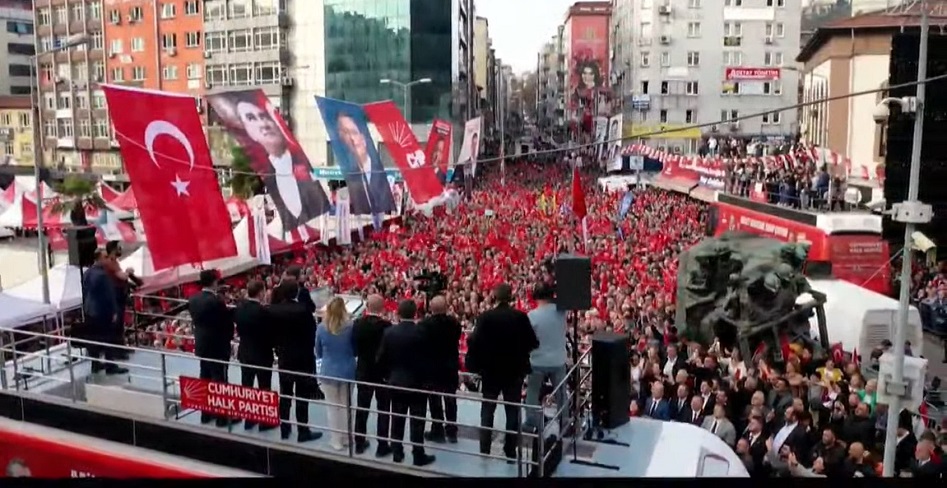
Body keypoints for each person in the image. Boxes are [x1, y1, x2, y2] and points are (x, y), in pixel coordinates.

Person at [230, 94, 330, 230]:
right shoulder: (267, 176)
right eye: (251, 118)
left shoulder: (303, 164)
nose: (263, 124)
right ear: (249, 132)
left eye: (264, 116)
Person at [466, 283, 539, 460]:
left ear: (495, 297)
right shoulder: (520, 317)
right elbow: (533, 343)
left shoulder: (485, 318)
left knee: (487, 410)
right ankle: (510, 451)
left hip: (490, 372)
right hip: (514, 372)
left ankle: (484, 449)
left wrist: (475, 364)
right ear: (511, 297)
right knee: (512, 412)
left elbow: (474, 342)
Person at [376, 299, 436, 466]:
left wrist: (388, 376)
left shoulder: (389, 333)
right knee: (417, 421)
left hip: (396, 382)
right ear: (415, 314)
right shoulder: (422, 333)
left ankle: (397, 453)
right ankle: (418, 455)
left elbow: (380, 359)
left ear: (398, 313)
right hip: (418, 384)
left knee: (397, 418)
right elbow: (429, 360)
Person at [269, 280, 322, 443]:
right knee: (301, 395)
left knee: (285, 394)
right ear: (295, 293)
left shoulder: (273, 310)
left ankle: (285, 429)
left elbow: (272, 334)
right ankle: (303, 431)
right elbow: (312, 334)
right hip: (303, 359)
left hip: (284, 358)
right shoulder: (303, 310)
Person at [187, 269, 236, 427]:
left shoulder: (193, 299)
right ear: (214, 282)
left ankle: (206, 414)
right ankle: (222, 418)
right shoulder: (216, 301)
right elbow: (226, 323)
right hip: (218, 346)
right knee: (220, 381)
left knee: (205, 378)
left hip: (202, 344)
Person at [352, 294, 394, 455]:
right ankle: (382, 446)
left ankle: (359, 443)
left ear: (367, 307)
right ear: (382, 308)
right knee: (383, 410)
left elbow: (355, 348)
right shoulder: (387, 326)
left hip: (363, 371)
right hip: (382, 374)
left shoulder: (357, 324)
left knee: (362, 408)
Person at [418, 295, 462, 443]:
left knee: (434, 400)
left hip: (432, 368)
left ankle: (437, 430)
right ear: (446, 307)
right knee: (450, 399)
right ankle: (452, 432)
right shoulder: (454, 323)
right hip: (449, 367)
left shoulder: (424, 324)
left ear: (431, 308)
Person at [524, 283, 568, 432]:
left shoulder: (532, 316)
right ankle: (565, 422)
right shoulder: (562, 312)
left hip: (537, 360)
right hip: (558, 360)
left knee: (533, 392)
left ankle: (532, 422)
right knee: (561, 393)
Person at [335, 111, 396, 216]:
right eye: (346, 134)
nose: (352, 139)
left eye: (353, 132)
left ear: (363, 138)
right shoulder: (352, 177)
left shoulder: (380, 173)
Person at [316, 297, 357, 451]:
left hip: (329, 371)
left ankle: (336, 440)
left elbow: (318, 352)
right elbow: (354, 349)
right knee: (347, 405)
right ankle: (347, 438)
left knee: (333, 407)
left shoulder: (321, 328)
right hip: (347, 369)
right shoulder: (351, 326)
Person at [234, 279, 275, 431]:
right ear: (260, 293)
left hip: (245, 352)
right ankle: (265, 422)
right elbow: (270, 334)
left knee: (247, 387)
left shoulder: (239, 309)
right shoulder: (264, 312)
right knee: (264, 387)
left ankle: (249, 420)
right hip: (262, 354)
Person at [81, 249, 127, 375]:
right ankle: (110, 365)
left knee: (94, 340)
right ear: (99, 259)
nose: (108, 260)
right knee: (108, 338)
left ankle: (95, 364)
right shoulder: (102, 275)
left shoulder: (87, 273)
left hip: (90, 310)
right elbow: (109, 295)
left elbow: (85, 292)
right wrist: (114, 311)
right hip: (103, 312)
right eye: (105, 257)